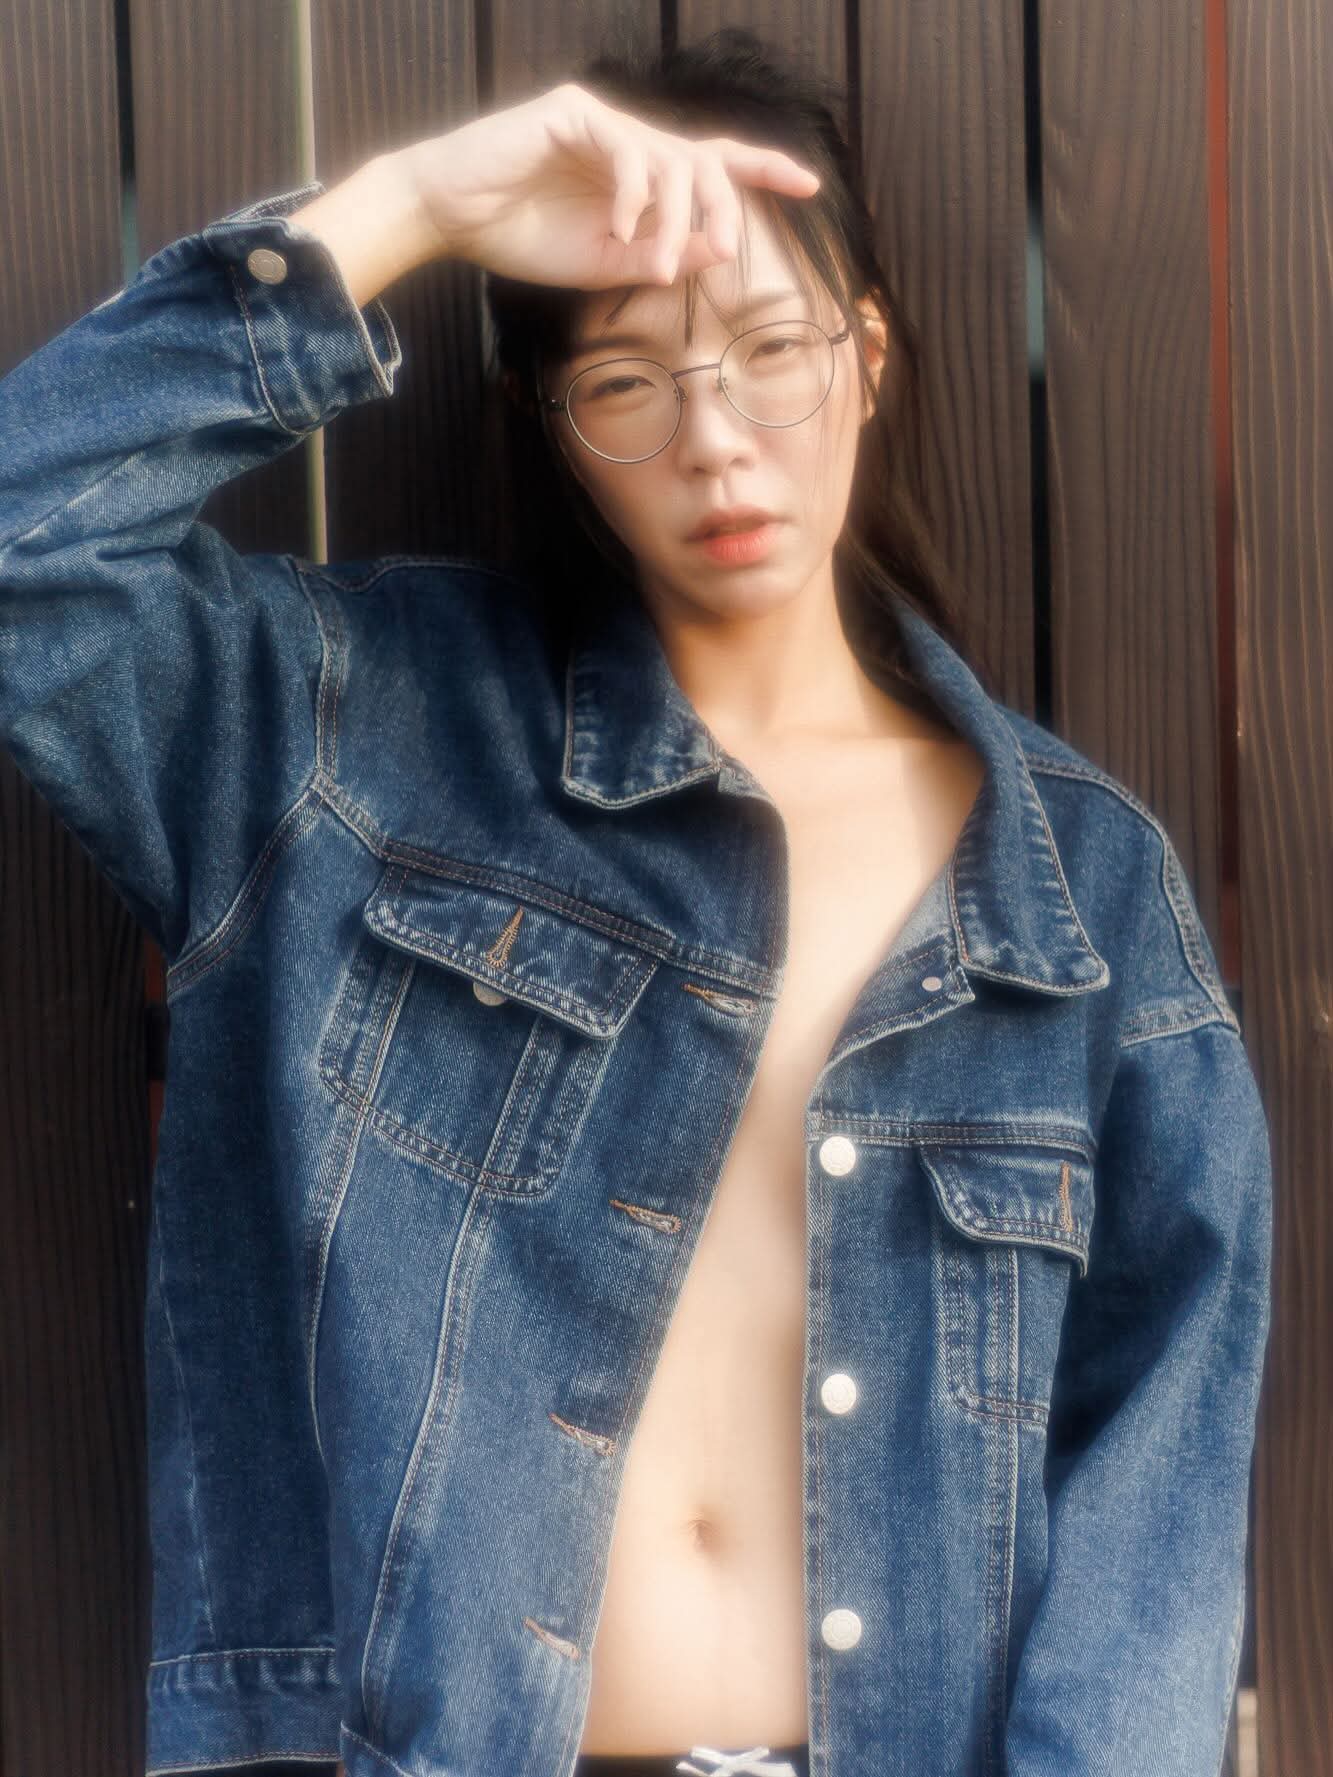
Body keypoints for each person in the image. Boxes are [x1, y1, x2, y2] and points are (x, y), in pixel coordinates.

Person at [0, 30, 1270, 1777]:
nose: (716, 441)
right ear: (554, 429)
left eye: (769, 350)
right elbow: (27, 555)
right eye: (625, 381)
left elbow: (1157, 1478)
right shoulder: (345, 744)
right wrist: (413, 204)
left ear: (867, 354)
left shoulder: (1080, 890)